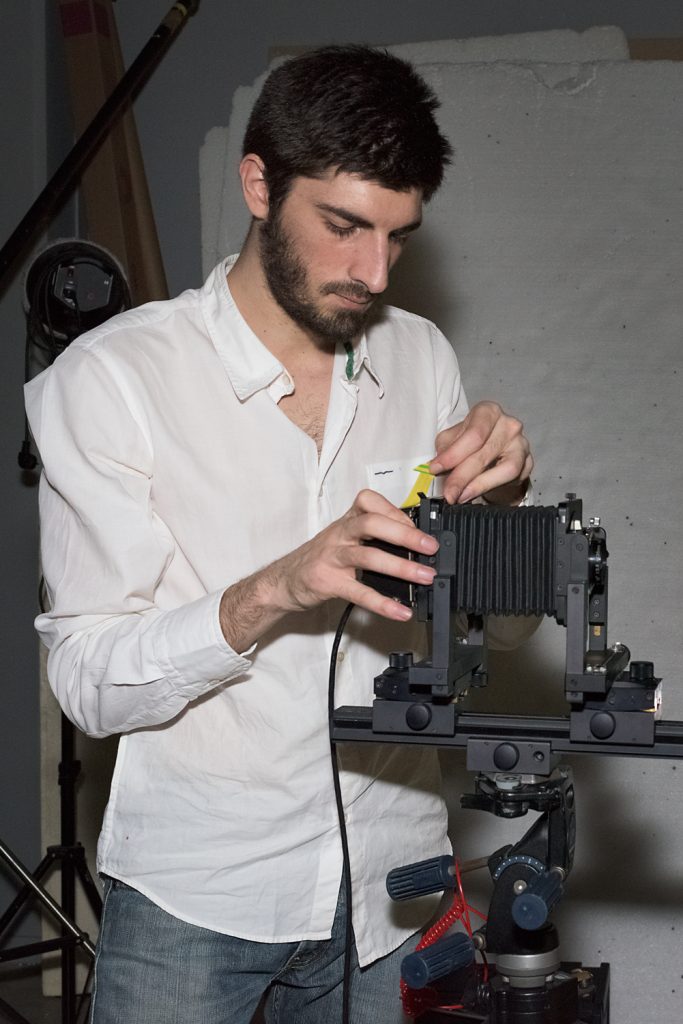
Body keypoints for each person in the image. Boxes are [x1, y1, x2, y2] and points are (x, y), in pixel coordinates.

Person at [26, 45, 535, 1024]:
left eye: (397, 235)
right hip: (197, 897)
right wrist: (276, 588)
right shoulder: (113, 380)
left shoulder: (419, 354)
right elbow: (88, 683)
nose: (372, 272)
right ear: (258, 183)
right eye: (343, 226)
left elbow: (495, 639)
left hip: (394, 891)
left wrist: (503, 515)